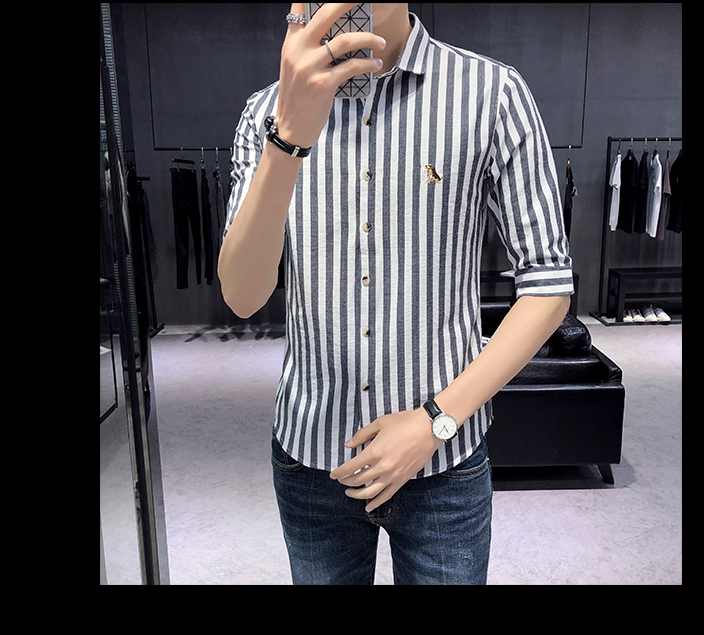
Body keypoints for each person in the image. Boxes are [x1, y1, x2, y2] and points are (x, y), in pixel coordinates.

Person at [218, 3, 573, 585]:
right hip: (313, 456)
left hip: (443, 463)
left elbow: (548, 284)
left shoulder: (490, 94)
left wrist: (437, 420)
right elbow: (242, 296)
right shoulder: (265, 113)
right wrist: (289, 140)